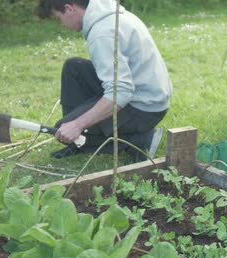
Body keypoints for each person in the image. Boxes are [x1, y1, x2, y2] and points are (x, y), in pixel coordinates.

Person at [35, 0, 171, 159]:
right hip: (145, 91)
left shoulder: (102, 32)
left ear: (69, 8)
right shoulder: (109, 14)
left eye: (59, 18)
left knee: (62, 129)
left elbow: (120, 93)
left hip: (145, 108)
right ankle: (76, 142)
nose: (62, 25)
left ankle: (141, 140)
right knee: (73, 67)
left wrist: (77, 124)